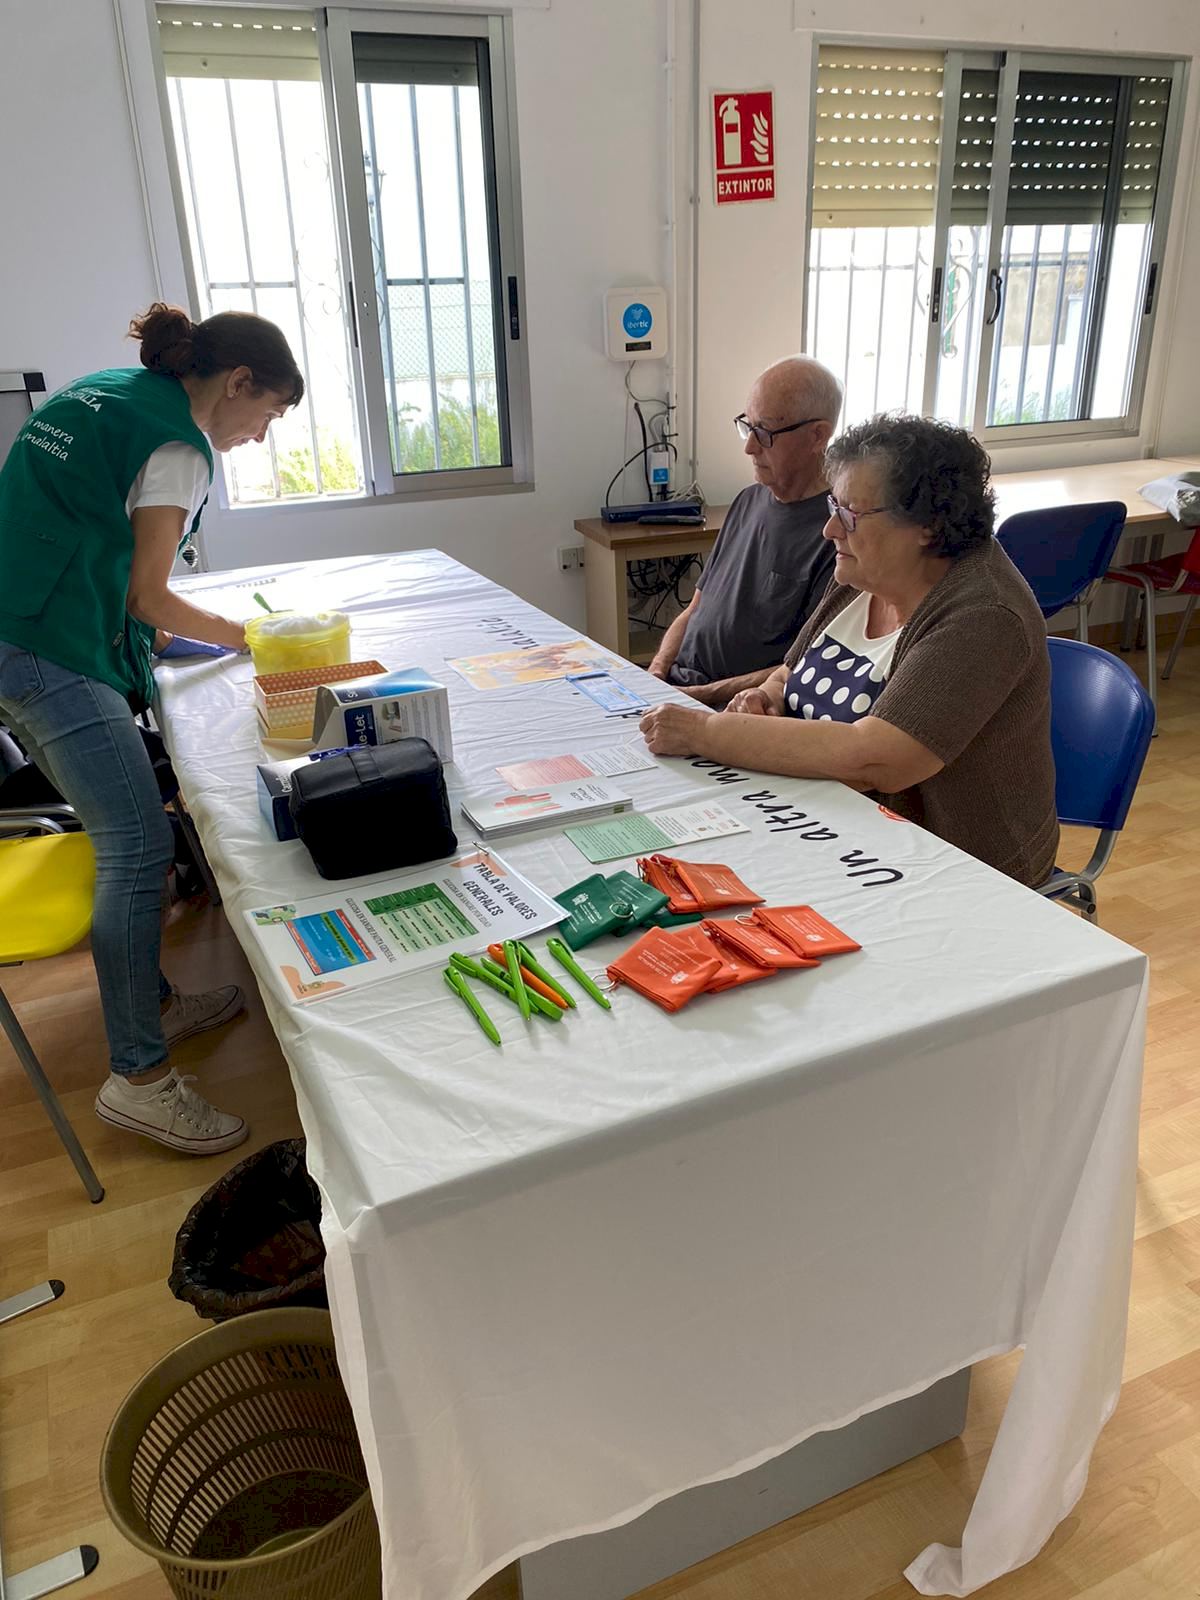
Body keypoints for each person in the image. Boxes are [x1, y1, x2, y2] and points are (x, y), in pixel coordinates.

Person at [0, 303, 304, 1153]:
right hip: (42, 649)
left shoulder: (113, 391)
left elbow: (98, 544)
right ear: (237, 382)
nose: (259, 435)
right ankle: (139, 1079)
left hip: (23, 619)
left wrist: (180, 640)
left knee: (137, 833)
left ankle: (157, 1007)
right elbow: (149, 598)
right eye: (268, 414)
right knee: (137, 846)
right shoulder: (180, 447)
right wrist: (252, 637)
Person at [640, 413, 1059, 886]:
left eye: (849, 516)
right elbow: (789, 672)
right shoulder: (863, 572)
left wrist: (704, 732)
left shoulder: (983, 613)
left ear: (927, 524)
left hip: (959, 866)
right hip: (830, 822)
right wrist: (767, 697)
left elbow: (877, 759)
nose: (830, 530)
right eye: (832, 508)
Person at [647, 356, 842, 707]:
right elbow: (694, 609)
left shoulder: (837, 532)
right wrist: (656, 672)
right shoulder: (747, 501)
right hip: (678, 689)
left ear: (817, 436)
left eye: (764, 433)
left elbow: (802, 666)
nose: (749, 446)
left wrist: (697, 696)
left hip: (738, 709)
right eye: (747, 426)